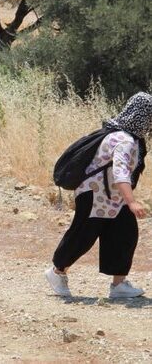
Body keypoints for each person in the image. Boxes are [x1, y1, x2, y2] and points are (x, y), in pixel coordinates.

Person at [45, 92, 151, 299]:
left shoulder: (122, 136)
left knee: (125, 236)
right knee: (82, 236)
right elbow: (120, 172)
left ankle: (119, 285)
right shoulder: (125, 141)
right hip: (95, 196)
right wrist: (132, 202)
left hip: (112, 198)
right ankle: (57, 272)